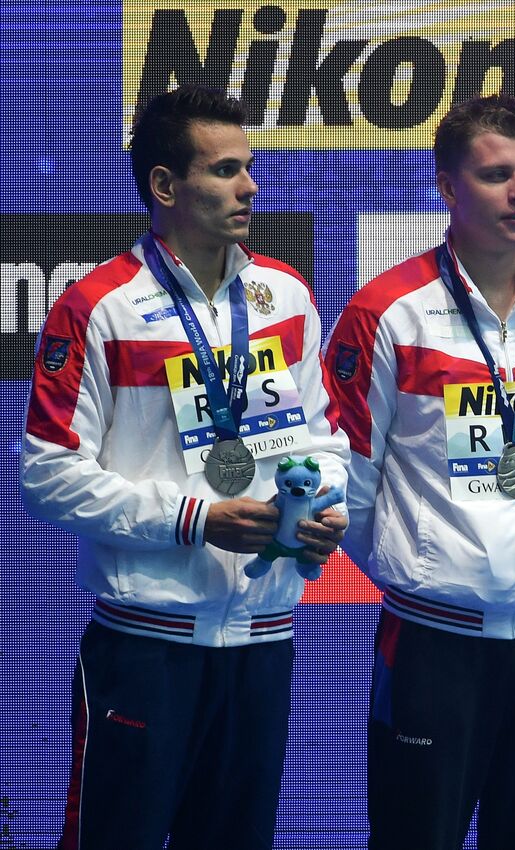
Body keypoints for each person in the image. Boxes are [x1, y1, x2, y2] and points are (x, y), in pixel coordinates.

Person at [21, 84, 349, 850]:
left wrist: (322, 505)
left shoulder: (285, 296)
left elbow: (325, 440)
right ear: (165, 186)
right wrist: (194, 518)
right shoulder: (99, 306)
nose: (250, 186)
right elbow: (46, 473)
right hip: (145, 646)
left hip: (263, 644)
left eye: (250, 166)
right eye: (226, 169)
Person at [326, 94, 515, 849]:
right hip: (435, 646)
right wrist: (425, 565)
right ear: (447, 186)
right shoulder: (387, 310)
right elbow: (352, 485)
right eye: (497, 176)